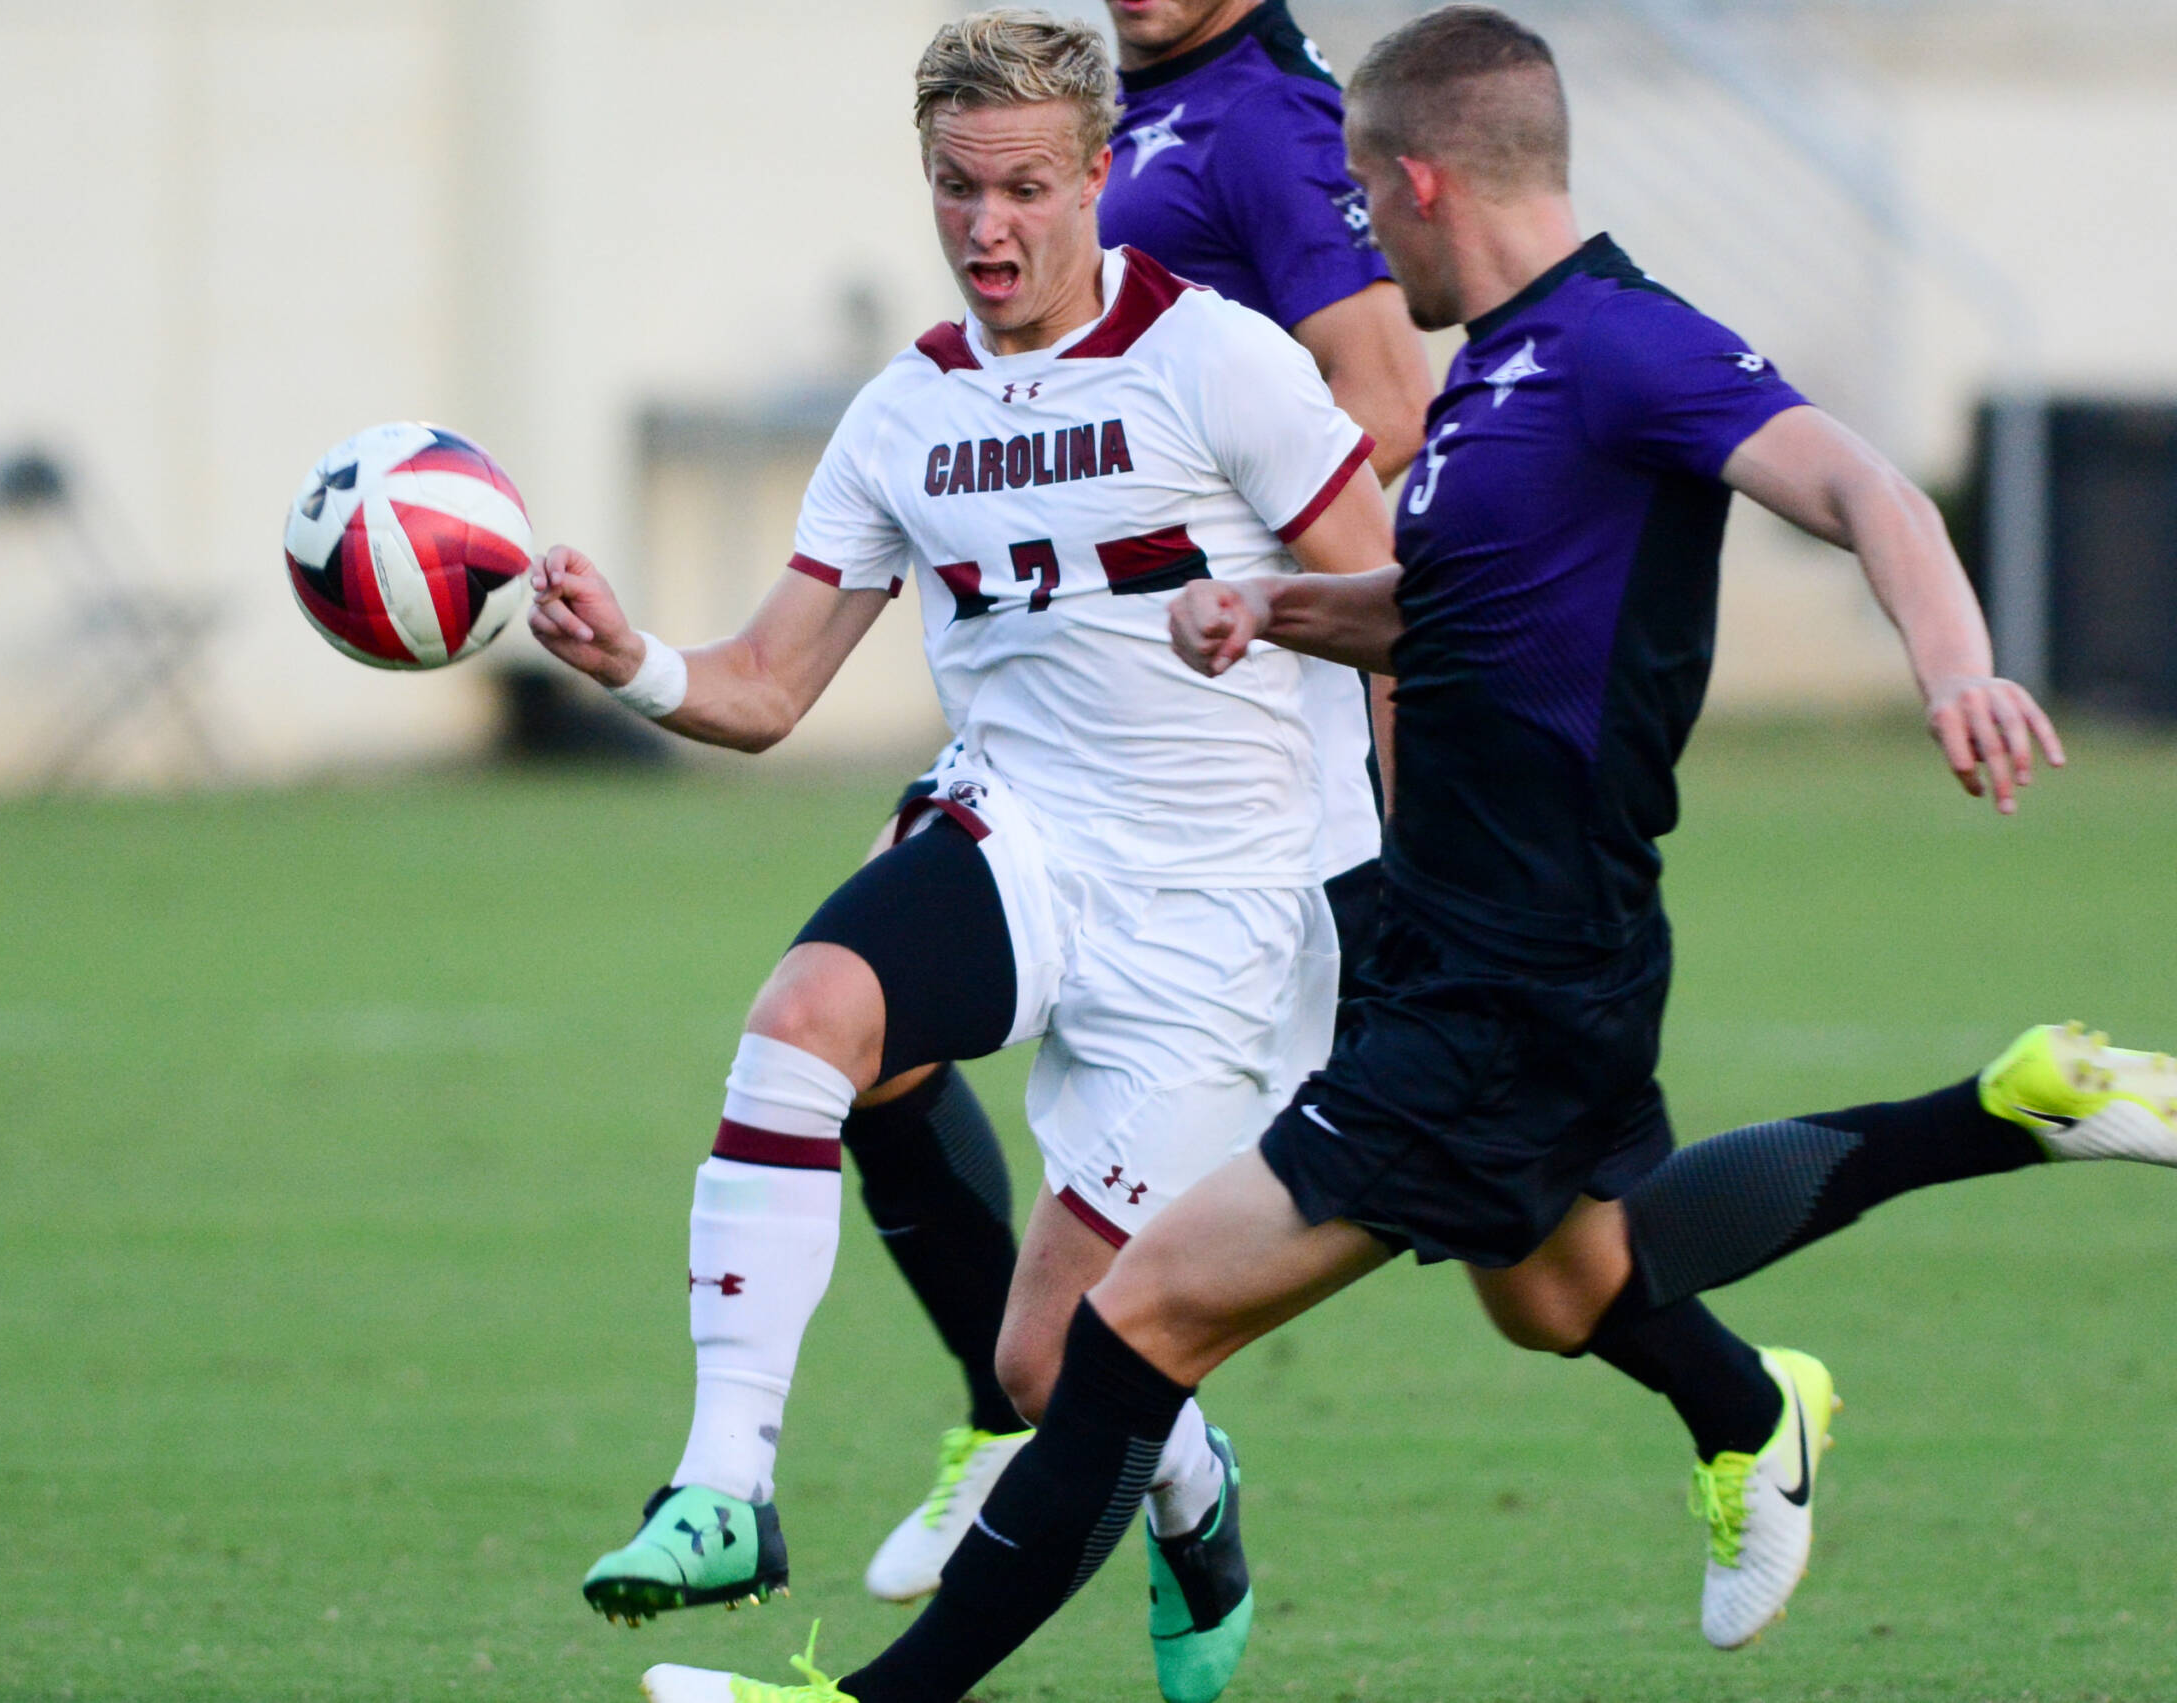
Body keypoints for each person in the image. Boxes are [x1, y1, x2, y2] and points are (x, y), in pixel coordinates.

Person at [639, 9, 2177, 1701]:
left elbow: (1868, 483)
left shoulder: (1622, 349)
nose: (1349, 232)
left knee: (1129, 1330)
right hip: (1480, 946)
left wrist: (1955, 663)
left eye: (1365, 196)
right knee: (1566, 1289)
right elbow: (1438, 613)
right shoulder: (1492, 378)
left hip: (1516, 964)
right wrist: (1273, 605)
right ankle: (2003, 1123)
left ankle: (869, 1698)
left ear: (1422, 177)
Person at [543, 13, 1390, 1700]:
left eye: (1022, 187)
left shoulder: (1219, 362)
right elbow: (768, 686)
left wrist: (1416, 864)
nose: (987, 226)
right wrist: (631, 655)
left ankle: (1196, 1489)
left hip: (1228, 908)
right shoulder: (904, 411)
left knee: (1040, 1358)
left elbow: (1403, 602)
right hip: (1026, 838)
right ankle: (723, 1485)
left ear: (1097, 179)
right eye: (954, 188)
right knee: (809, 1018)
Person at [845, 0, 1433, 1611]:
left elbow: (1377, 411)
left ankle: (1744, 1385)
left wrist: (1218, 536)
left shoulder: (1264, 121)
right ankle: (1012, 1405)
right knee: (853, 1021)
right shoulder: (1134, 91)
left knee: (1543, 1238)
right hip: (1066, 730)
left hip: (1223, 739)